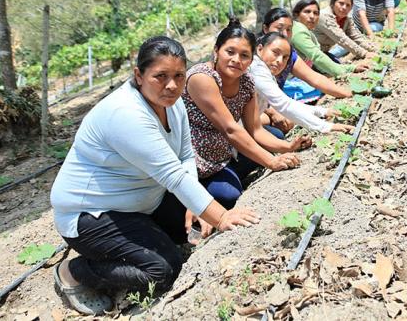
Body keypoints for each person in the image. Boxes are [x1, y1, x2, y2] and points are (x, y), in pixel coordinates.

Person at [50, 36, 260, 315]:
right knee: (162, 270)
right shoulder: (125, 113)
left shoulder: (173, 103)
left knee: (194, 223)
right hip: (93, 214)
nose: (171, 85)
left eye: (178, 76)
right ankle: (75, 271)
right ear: (139, 75)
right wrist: (220, 217)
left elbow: (185, 156)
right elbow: (172, 175)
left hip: (143, 202)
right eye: (160, 76)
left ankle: (145, 240)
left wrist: (193, 205)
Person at [183, 18, 308, 210]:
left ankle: (234, 175)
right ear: (216, 51)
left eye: (244, 55)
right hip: (197, 163)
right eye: (230, 52)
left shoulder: (246, 82)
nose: (236, 60)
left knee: (275, 139)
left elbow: (255, 130)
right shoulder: (202, 78)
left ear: (251, 59)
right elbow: (230, 129)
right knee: (229, 196)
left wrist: (288, 147)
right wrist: (272, 161)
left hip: (226, 153)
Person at [249, 31, 354, 136]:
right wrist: (326, 126)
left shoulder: (265, 70)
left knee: (278, 134)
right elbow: (284, 104)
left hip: (249, 122)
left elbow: (286, 102)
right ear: (260, 49)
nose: (279, 60)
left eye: (285, 58)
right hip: (241, 130)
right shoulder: (257, 70)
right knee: (276, 135)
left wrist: (321, 112)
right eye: (275, 53)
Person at [261, 8, 353, 102]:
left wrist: (349, 94)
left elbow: (315, 78)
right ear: (265, 29)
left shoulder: (290, 54)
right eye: (279, 28)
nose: (285, 34)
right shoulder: (256, 58)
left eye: (289, 29)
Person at [291, 0, 370, 77]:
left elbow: (318, 62)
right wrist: (345, 73)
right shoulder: (299, 30)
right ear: (296, 14)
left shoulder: (347, 19)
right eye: (307, 12)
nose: (312, 16)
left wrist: (350, 68)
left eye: (316, 13)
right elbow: (317, 57)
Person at [314, 0, 378, 60]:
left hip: (323, 53)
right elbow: (342, 39)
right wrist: (364, 53)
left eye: (348, 5)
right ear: (333, 3)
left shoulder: (346, 20)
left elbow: (356, 36)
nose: (344, 7)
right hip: (311, 55)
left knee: (338, 61)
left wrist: (373, 48)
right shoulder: (324, 17)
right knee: (338, 64)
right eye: (341, 3)